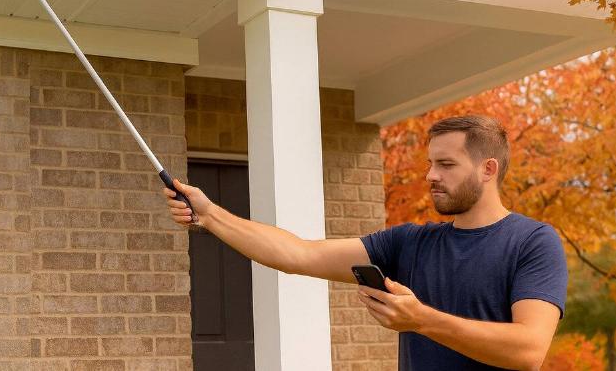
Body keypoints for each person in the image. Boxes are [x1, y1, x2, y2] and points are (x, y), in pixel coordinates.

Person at [163, 115, 568, 371]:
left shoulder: (533, 242)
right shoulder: (409, 242)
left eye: (446, 164)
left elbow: (528, 350)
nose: (430, 176)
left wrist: (421, 319)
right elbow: (298, 254)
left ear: (488, 169)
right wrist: (212, 215)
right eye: (430, 163)